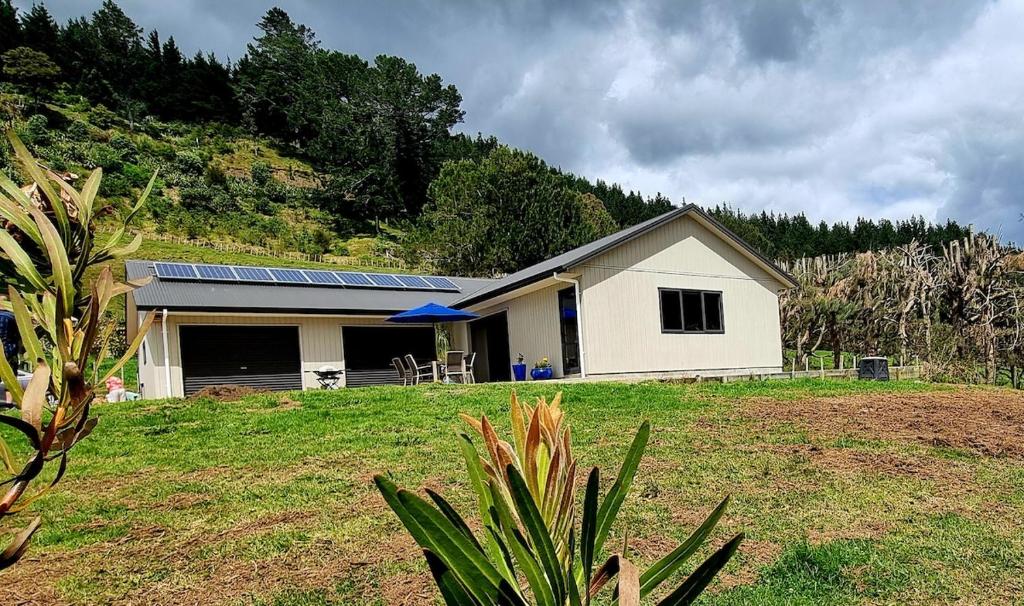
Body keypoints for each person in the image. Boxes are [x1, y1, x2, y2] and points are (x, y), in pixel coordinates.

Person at [0, 307, 20, 405]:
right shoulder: (11, 318)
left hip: (6, 350)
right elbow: (19, 335)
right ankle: (9, 403)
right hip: (9, 351)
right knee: (11, 379)